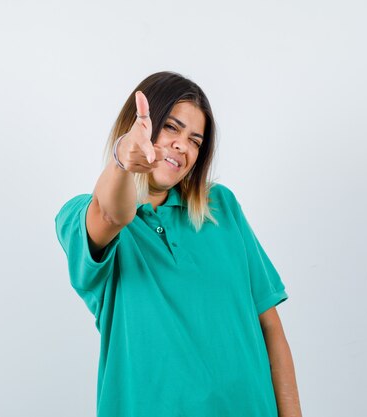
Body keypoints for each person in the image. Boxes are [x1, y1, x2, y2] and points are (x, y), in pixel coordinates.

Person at [54, 71, 303, 417]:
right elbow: (111, 216)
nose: (182, 146)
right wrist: (122, 160)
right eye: (171, 127)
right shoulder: (79, 215)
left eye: (195, 140)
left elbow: (270, 326)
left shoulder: (221, 208)